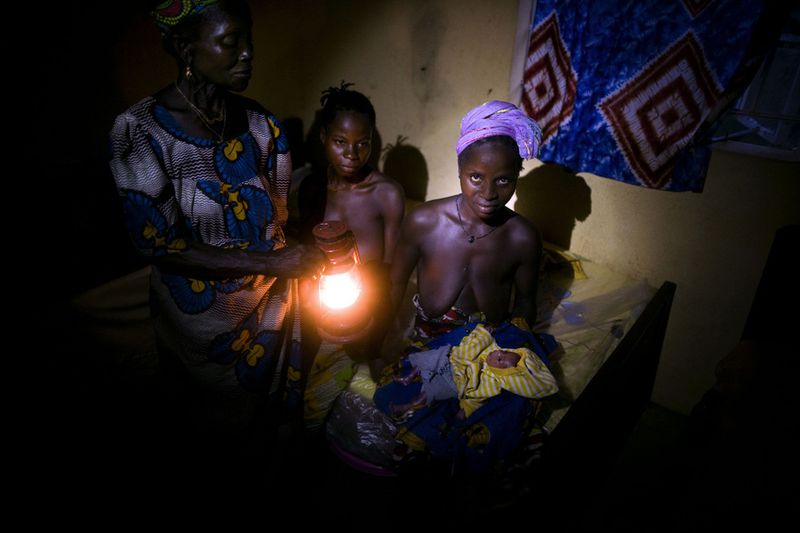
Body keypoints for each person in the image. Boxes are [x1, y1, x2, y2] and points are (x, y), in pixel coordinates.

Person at [108, 0, 324, 455]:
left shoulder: (263, 126)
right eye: (231, 42)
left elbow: (278, 220)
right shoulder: (140, 132)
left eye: (249, 41)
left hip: (274, 305)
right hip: (201, 325)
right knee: (208, 439)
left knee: (268, 434)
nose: (247, 53)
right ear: (187, 49)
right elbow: (157, 245)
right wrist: (271, 261)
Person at [388, 99, 544, 344]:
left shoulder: (523, 237)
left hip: (491, 344)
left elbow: (525, 302)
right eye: (476, 177)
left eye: (503, 180)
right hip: (428, 338)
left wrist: (513, 346)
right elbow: (395, 284)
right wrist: (380, 339)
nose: (488, 193)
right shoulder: (424, 221)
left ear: (516, 177)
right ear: (460, 171)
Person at [379, 323, 558, 419]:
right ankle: (409, 376)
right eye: (503, 352)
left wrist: (465, 411)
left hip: (455, 384)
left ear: (504, 372)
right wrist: (484, 333)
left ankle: (405, 407)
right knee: (432, 357)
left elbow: (477, 398)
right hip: (452, 362)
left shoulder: (493, 382)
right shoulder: (489, 348)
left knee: (431, 392)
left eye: (501, 361)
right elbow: (470, 345)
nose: (498, 354)